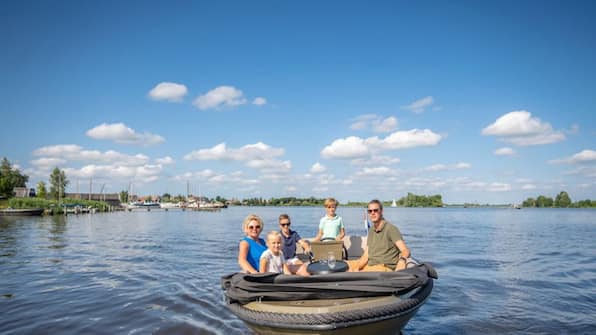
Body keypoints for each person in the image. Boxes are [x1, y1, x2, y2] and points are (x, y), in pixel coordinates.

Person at [348, 199, 411, 272]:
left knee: (351, 272)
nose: (372, 213)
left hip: (382, 267)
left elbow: (405, 250)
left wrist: (402, 261)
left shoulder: (390, 229)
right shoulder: (371, 230)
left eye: (375, 210)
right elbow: (366, 255)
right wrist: (357, 267)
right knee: (342, 265)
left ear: (381, 211)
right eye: (370, 211)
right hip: (370, 264)